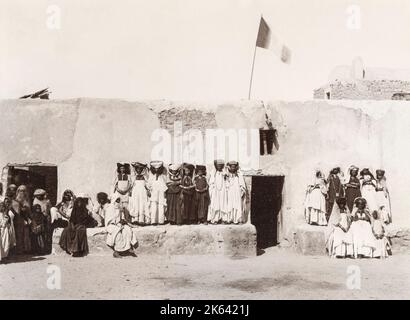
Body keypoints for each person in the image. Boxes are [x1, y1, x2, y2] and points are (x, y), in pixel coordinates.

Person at [12, 185, 32, 254]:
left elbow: (29, 211)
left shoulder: (27, 200)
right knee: (18, 235)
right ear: (18, 191)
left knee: (26, 235)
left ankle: (25, 249)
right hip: (18, 219)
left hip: (25, 219)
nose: (22, 192)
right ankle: (18, 250)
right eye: (20, 190)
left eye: (23, 191)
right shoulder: (15, 199)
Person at [208, 160, 227, 224]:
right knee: (215, 205)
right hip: (215, 191)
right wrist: (212, 189)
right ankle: (214, 219)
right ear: (216, 166)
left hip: (222, 191)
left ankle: (222, 219)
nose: (219, 167)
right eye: (218, 165)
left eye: (221, 166)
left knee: (222, 204)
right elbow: (211, 182)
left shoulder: (224, 173)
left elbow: (227, 182)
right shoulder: (213, 173)